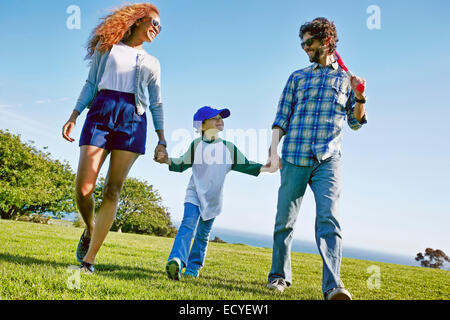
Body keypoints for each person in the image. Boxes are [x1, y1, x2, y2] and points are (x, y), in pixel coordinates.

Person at [265, 17, 368, 300]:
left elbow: (356, 123)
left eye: (308, 42)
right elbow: (281, 117)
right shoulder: (297, 77)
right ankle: (278, 277)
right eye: (302, 43)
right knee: (284, 220)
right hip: (295, 156)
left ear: (326, 41)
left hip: (328, 160)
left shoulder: (346, 81)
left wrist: (360, 97)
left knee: (329, 219)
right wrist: (273, 152)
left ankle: (333, 286)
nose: (304, 47)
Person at [61, 3, 168, 274]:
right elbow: (90, 83)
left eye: (160, 27)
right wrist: (74, 115)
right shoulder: (107, 48)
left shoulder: (153, 63)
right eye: (153, 22)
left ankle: (89, 260)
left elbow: (156, 103)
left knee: (112, 190)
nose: (157, 29)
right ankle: (89, 228)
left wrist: (161, 138)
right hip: (100, 112)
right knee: (84, 187)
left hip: (133, 119)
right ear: (138, 21)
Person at [156, 106, 272, 280]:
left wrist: (267, 168)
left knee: (202, 234)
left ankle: (193, 268)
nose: (220, 120)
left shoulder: (228, 148)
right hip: (194, 194)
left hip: (213, 200)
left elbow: (246, 165)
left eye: (221, 118)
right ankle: (177, 260)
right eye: (214, 118)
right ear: (202, 126)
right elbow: (181, 164)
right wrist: (166, 160)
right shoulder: (196, 145)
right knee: (187, 226)